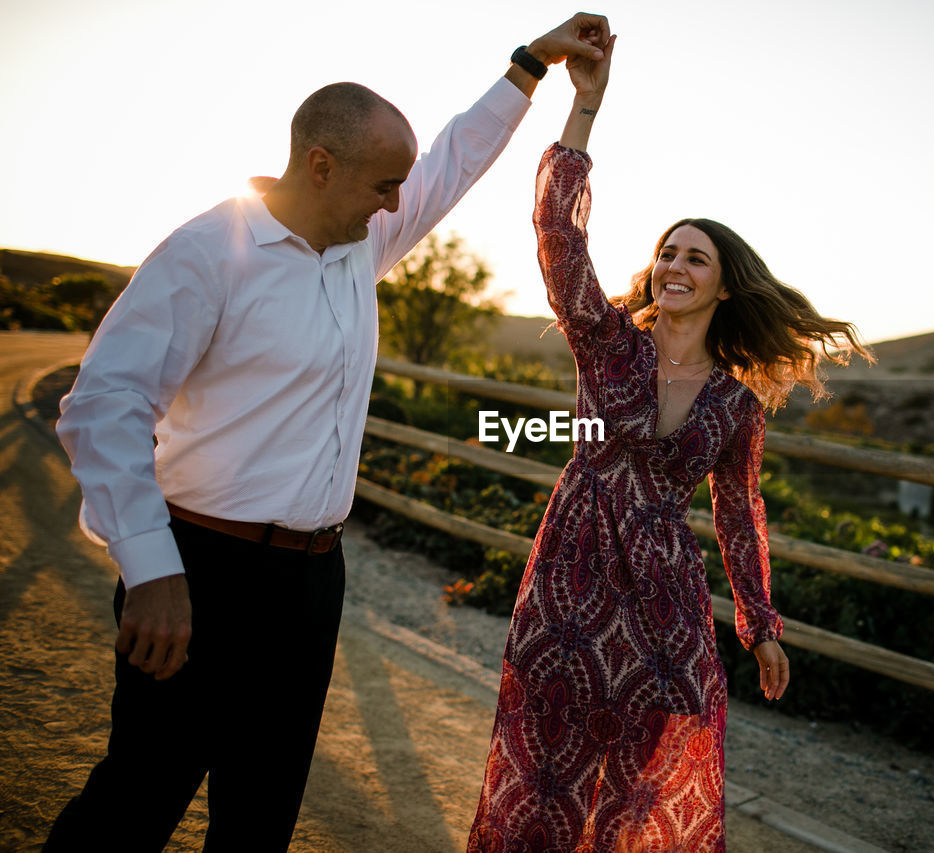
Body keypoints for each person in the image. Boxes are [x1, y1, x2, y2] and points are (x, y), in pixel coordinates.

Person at [45, 13, 611, 852]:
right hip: (199, 568)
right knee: (136, 801)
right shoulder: (207, 253)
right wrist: (152, 568)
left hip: (311, 582)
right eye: (384, 184)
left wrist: (531, 65)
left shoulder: (358, 240)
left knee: (261, 815)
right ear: (320, 165)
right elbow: (105, 405)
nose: (397, 204)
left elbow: (453, 161)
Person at [466, 33, 874, 853]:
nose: (673, 264)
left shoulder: (735, 400)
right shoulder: (607, 340)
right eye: (666, 252)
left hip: (664, 598)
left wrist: (759, 624)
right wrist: (586, 103)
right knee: (546, 772)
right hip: (571, 578)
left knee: (647, 771)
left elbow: (736, 511)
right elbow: (558, 230)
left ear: (726, 283)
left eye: (695, 256)